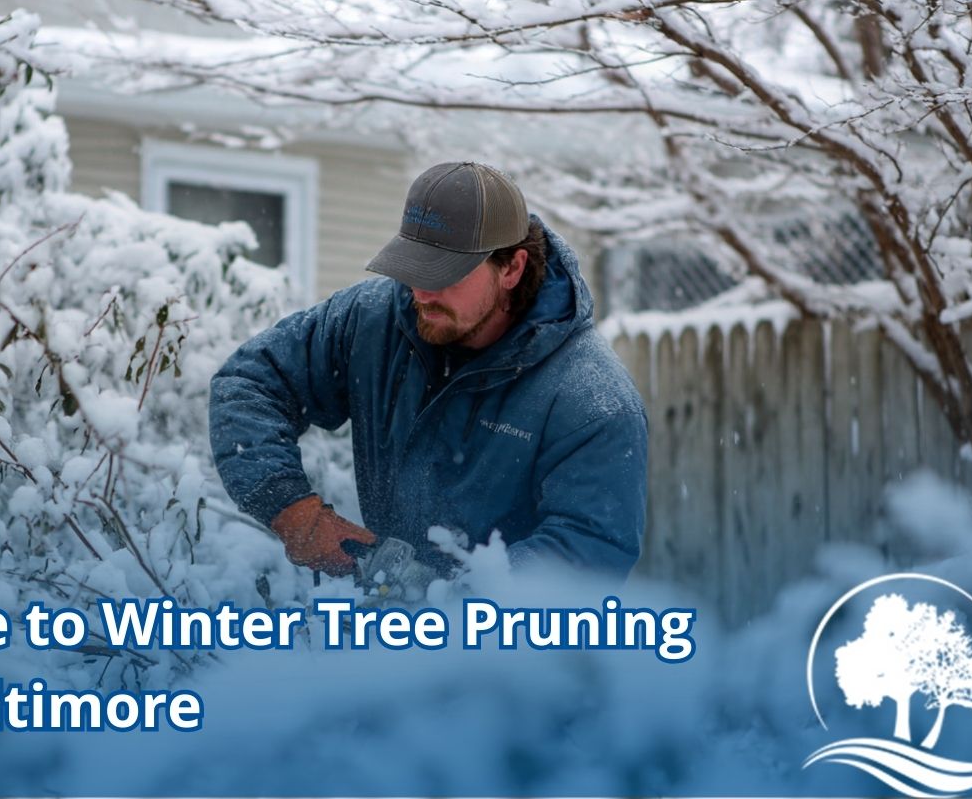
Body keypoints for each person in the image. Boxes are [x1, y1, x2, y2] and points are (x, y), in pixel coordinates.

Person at [209, 161, 647, 581]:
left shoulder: (590, 397)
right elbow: (250, 383)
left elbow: (588, 548)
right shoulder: (371, 320)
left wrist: (449, 604)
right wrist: (293, 511)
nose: (421, 290)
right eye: (414, 266)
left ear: (512, 268)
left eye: (446, 273)